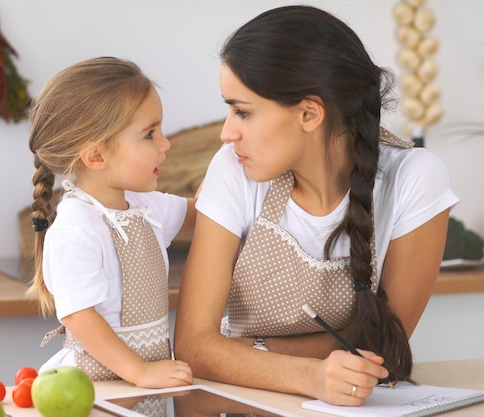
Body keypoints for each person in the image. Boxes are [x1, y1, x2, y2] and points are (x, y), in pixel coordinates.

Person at [174, 5, 459, 406]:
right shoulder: (232, 170)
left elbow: (384, 347)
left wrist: (246, 352)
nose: (226, 132)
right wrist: (313, 375)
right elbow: (193, 347)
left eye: (242, 111)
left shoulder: (415, 177)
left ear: (309, 113)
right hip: (242, 404)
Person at [27, 56, 195, 389]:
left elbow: (207, 216)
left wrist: (228, 172)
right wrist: (140, 372)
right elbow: (79, 317)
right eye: (149, 134)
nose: (166, 144)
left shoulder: (147, 207)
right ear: (96, 156)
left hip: (146, 379)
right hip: (94, 387)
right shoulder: (76, 227)